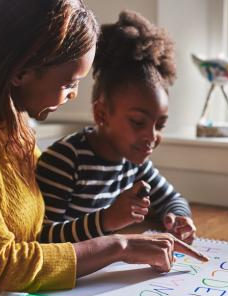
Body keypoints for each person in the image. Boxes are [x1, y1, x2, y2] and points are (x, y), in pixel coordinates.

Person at [0, 0, 207, 296]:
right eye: (69, 83)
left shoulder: (14, 121)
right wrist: (119, 246)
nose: (73, 95)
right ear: (21, 72)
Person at [36, 10, 197, 246]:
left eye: (159, 125)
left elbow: (173, 199)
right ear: (102, 114)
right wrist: (106, 220)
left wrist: (178, 217)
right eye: (138, 122)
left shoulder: (134, 165)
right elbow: (43, 239)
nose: (151, 136)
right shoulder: (64, 161)